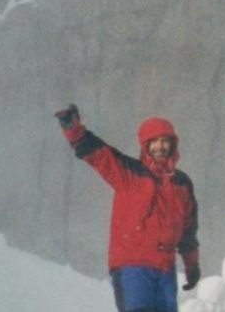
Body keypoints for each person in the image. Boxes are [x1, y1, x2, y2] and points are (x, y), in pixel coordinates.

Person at [55, 104, 201, 312]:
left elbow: (188, 229)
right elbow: (98, 154)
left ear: (173, 145)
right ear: (145, 145)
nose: (159, 147)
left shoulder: (182, 183)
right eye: (154, 142)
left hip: (165, 268)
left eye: (164, 141)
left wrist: (191, 264)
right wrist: (73, 129)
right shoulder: (130, 173)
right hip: (133, 265)